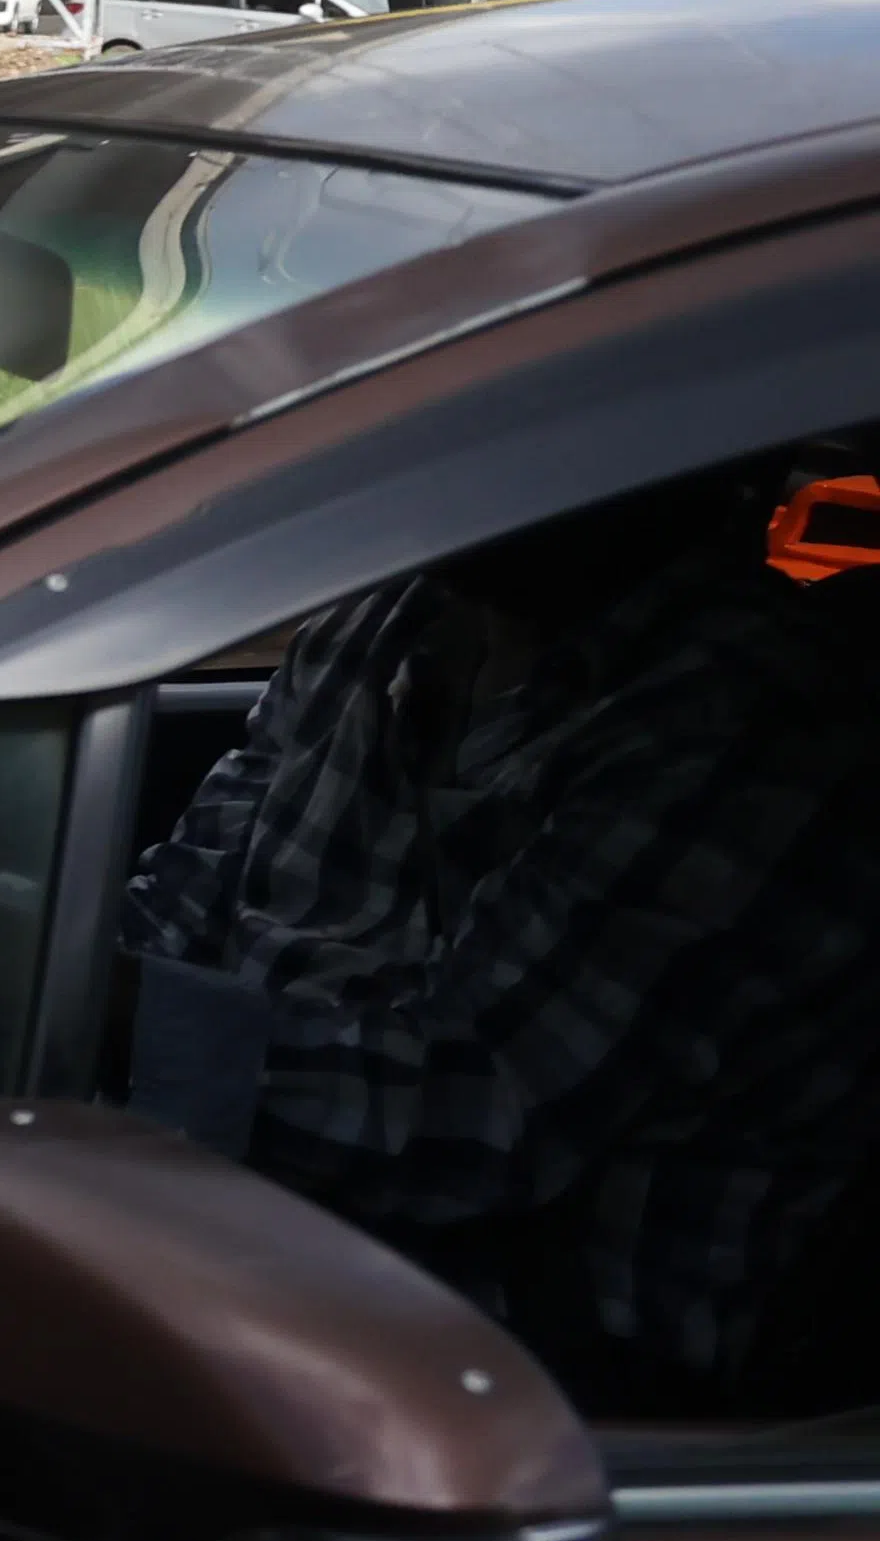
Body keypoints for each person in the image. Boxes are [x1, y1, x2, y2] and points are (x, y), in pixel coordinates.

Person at [115, 469, 880, 1399]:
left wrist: (107, 1031)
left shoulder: (748, 709)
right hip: (285, 1240)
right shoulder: (378, 627)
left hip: (542, 1377)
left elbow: (477, 1113)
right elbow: (180, 900)